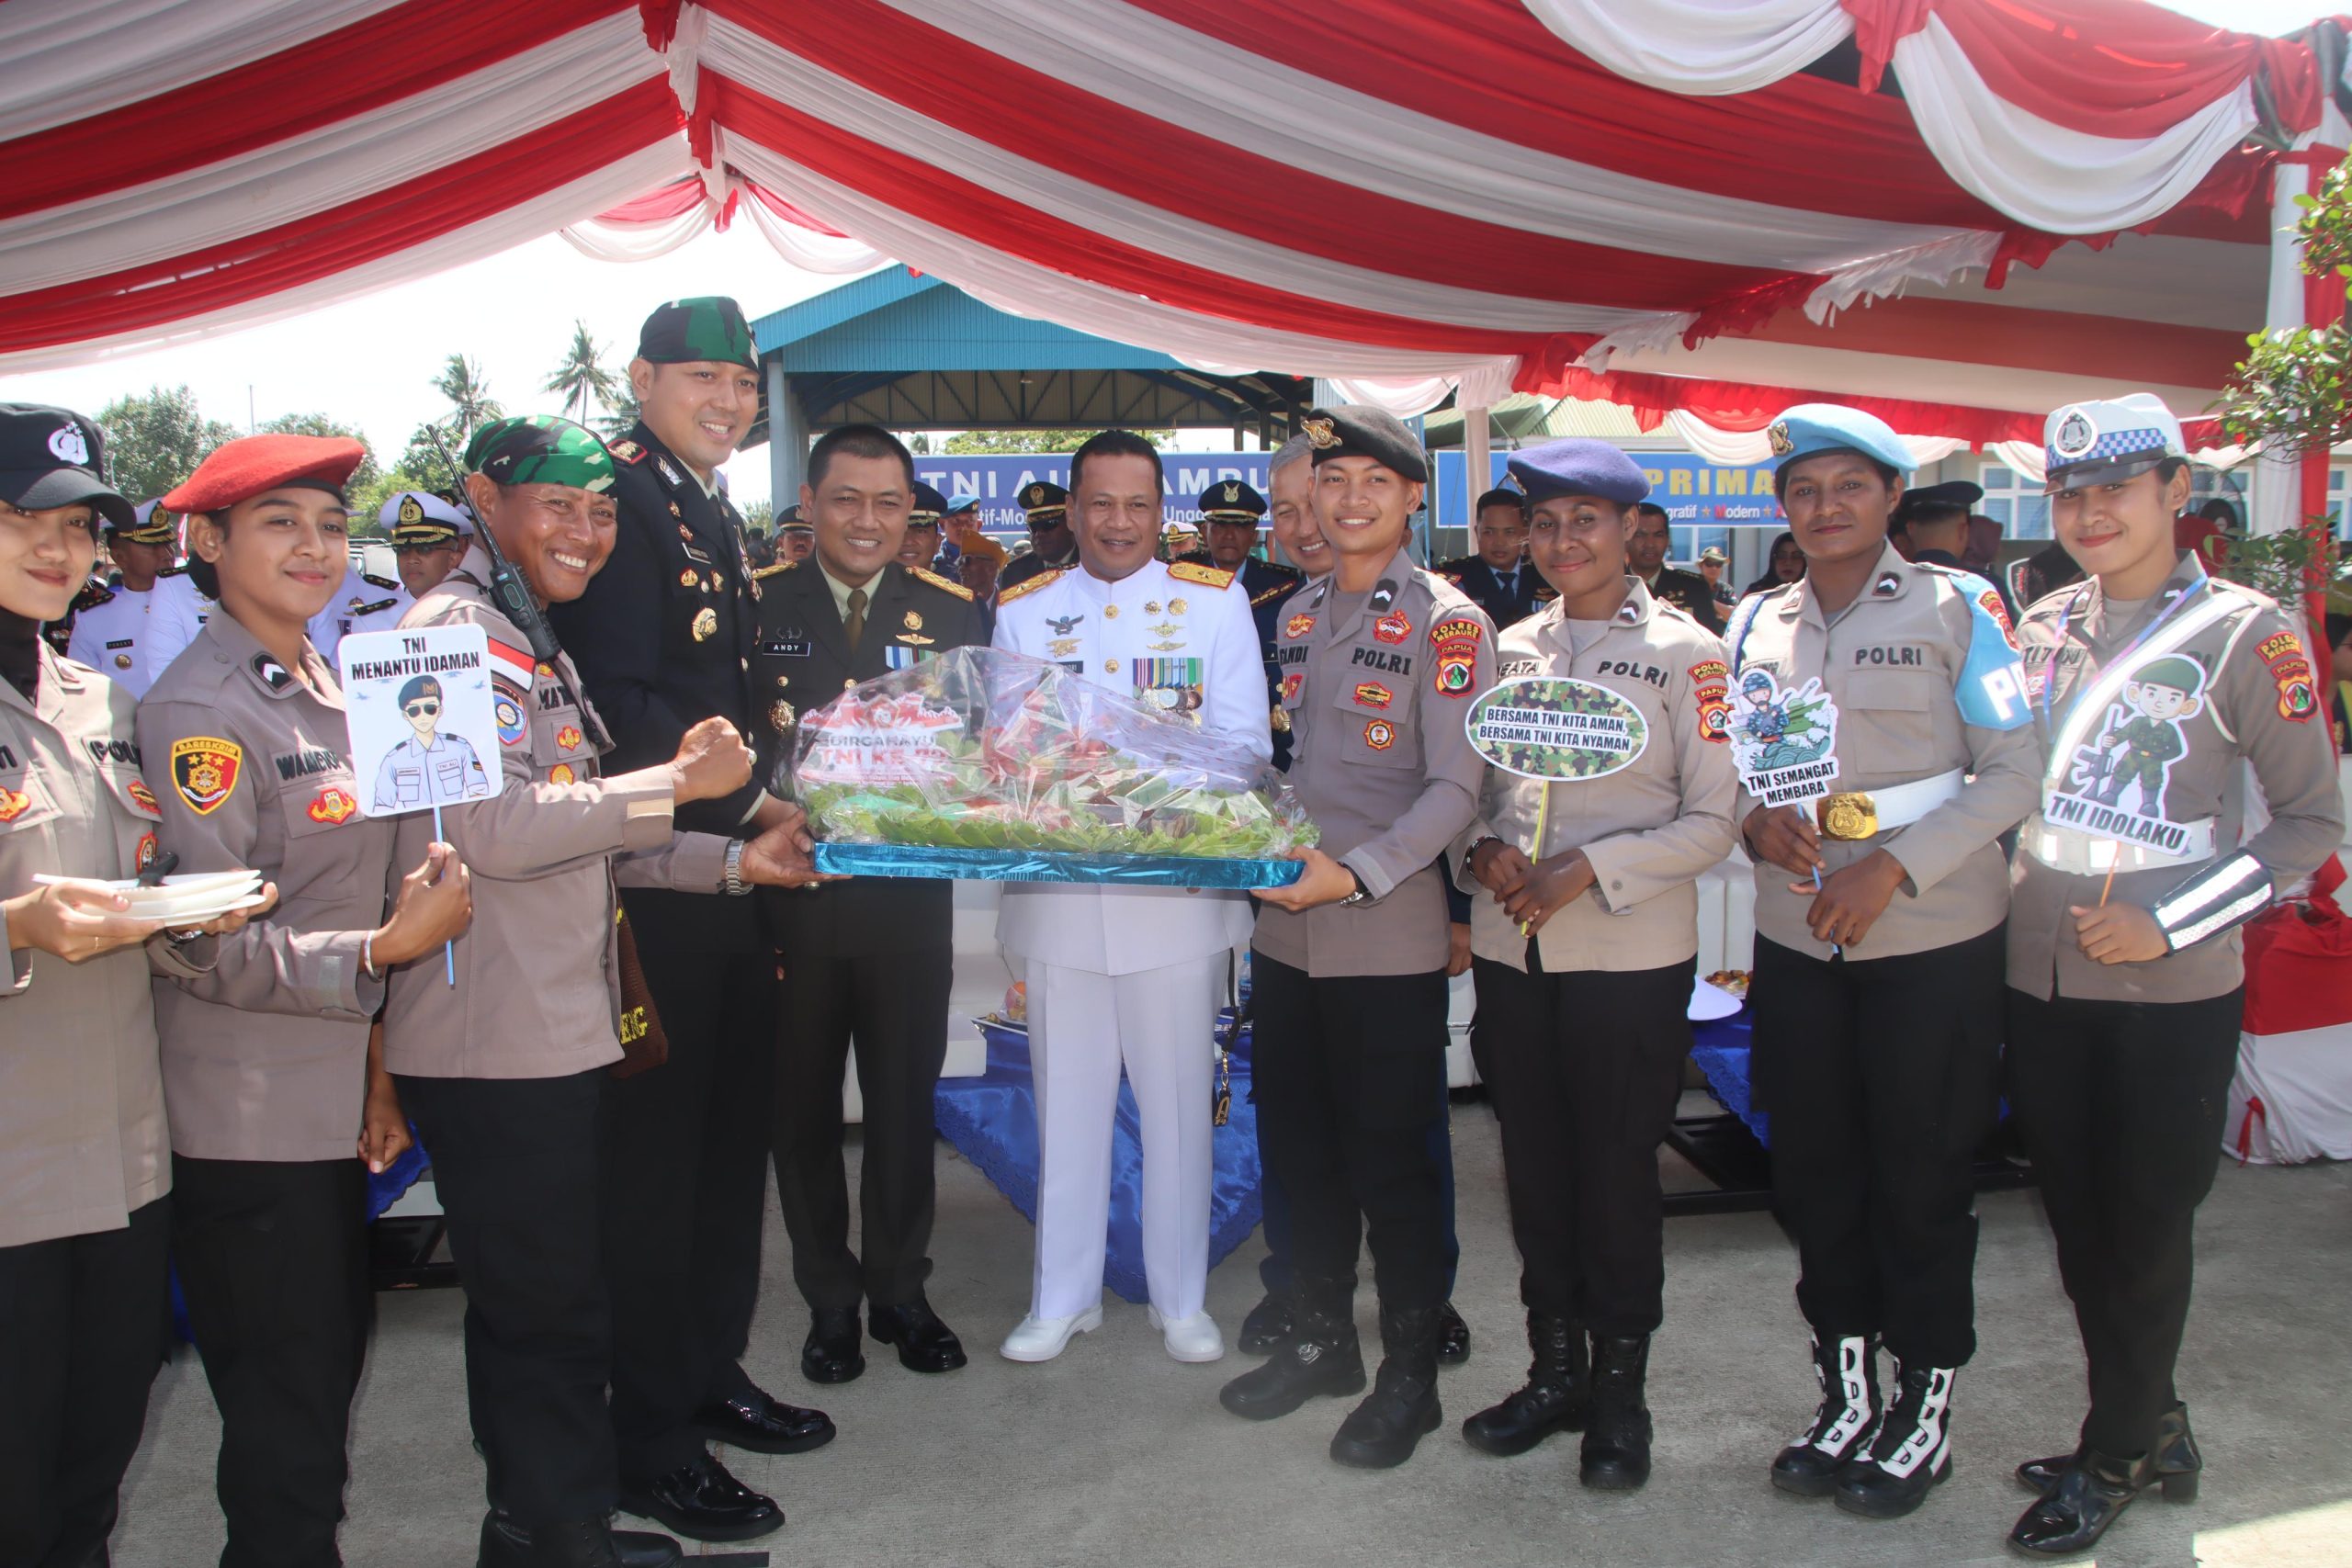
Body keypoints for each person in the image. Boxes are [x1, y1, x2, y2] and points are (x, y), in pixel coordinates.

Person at [386, 414, 830, 1568]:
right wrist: (673, 782)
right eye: (557, 504)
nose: (584, 531)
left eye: (599, 510)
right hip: (488, 1030)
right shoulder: (445, 637)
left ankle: (551, 1528)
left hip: (551, 1022)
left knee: (557, 1304)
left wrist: (737, 860)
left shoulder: (528, 634)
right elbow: (488, 827)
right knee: (537, 1312)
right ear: (486, 497)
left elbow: (599, 840)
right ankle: (552, 1536)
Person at [2000, 395, 2342, 1557]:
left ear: (2174, 494)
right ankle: (2150, 1421)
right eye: (2070, 492)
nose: (2091, 512)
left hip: (2166, 991)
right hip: (2039, 973)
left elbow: (2306, 827)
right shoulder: (2041, 624)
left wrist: (2173, 924)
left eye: (2117, 489)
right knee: (2081, 1224)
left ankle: (2116, 1455)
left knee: (2143, 1227)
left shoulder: (2251, 636)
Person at [139, 432, 475, 1567]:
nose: (315, 546)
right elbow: (200, 946)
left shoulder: (329, 679)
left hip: (326, 1106)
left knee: (320, 1376)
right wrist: (382, 950)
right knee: (285, 1413)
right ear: (207, 541)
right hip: (242, 1114)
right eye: (279, 522)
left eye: (331, 525)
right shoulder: (200, 711)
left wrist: (378, 1075)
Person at [1726, 405, 2038, 1520]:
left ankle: (1924, 1407)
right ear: (1784, 508)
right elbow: (1737, 767)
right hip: (1797, 932)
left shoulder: (1962, 609)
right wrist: (1753, 824)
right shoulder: (1755, 621)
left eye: (1849, 486)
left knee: (1919, 1178)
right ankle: (1846, 1394)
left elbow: (2012, 772)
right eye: (1804, 491)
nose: (1826, 507)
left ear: (1892, 496)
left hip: (1929, 935)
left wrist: (1894, 868)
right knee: (1816, 1176)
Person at [543, 299, 812, 1546]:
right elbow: (628, 703)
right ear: (642, 376)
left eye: (742, 382)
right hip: (668, 877)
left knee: (721, 1154)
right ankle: (647, 1439)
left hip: (731, 871)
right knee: (655, 1175)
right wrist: (760, 804)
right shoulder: (624, 498)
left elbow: (732, 691)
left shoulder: (701, 500)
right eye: (702, 375)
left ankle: (706, 1372)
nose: (728, 398)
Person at [0, 404, 272, 1568]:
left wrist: (198, 919)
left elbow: (139, 895)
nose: (57, 548)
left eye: (78, 524)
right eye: (20, 518)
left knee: (90, 1467)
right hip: (10, 1177)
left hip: (122, 1164)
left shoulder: (99, 705)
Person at [1453, 439, 1737, 1491]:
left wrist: (1593, 867)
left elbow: (1718, 816)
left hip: (1625, 952)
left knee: (1616, 1178)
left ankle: (1621, 1396)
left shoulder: (1688, 653)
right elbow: (1469, 789)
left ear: (1629, 529)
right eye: (1545, 522)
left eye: (1586, 520)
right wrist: (1476, 851)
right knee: (1533, 1169)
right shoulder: (1507, 647)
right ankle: (1554, 1372)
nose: (1562, 541)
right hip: (1511, 950)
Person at [1219, 406, 1492, 1469]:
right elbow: (1283, 767)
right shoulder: (1290, 616)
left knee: (1396, 1167)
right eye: (1332, 482)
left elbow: (1455, 789)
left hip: (1385, 935)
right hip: (1287, 940)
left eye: (1374, 482)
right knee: (1305, 1154)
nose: (1349, 501)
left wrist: (1358, 872)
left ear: (1412, 498)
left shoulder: (1450, 623)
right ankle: (1324, 1342)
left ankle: (1409, 1376)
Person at [990, 428, 1271, 1365]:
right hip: (1063, 897)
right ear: (1071, 513)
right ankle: (1061, 1296)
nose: (1118, 522)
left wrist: (1138, 794)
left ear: (1163, 514)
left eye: (1136, 504)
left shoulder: (1213, 604)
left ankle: (1179, 1296)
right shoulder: (1027, 610)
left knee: (1179, 1107)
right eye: (1099, 504)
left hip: (1177, 898)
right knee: (1064, 1103)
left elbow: (1242, 748)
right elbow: (1007, 745)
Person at [752, 423, 988, 1389]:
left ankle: (899, 1290)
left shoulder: (954, 613)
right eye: (847, 499)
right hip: (787, 909)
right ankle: (830, 1301)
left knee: (901, 1104)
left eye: (889, 503)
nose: (867, 521)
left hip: (902, 907)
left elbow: (974, 750)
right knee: (799, 1115)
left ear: (911, 514)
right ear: (809, 504)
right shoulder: (755, 604)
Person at [65, 498, 179, 698]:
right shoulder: (93, 620)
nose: (166, 554)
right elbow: (83, 693)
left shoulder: (202, 603)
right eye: (152, 546)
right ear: (120, 557)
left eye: (168, 544)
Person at [368, 674, 492, 810]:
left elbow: (479, 791)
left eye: (430, 709)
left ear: (440, 711)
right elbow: (383, 806)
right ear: (405, 715)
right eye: (414, 710)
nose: (423, 716)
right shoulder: (394, 759)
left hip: (458, 825)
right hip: (416, 828)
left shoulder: (460, 748)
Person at [1436, 488, 1544, 626]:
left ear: (1525, 534)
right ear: (1477, 532)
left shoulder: (1544, 575)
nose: (1499, 542)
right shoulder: (1452, 578)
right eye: (1489, 532)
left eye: (1509, 532)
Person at [1626, 502, 1722, 633]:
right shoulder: (1609, 586)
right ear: (1626, 538)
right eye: (1640, 535)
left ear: (1668, 540)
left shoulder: (1694, 587)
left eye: (1658, 535)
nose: (1650, 544)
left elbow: (1709, 642)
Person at [384, 489, 471, 601]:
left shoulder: (470, 613)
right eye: (403, 550)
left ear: (453, 560)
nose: (411, 559)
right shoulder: (376, 617)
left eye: (425, 549)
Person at [996, 481, 1073, 590]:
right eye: (1033, 527)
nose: (1039, 534)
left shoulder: (1093, 565)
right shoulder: (1014, 573)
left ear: (1071, 522)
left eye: (1048, 524)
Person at [899, 481, 947, 572]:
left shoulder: (945, 587)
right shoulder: (866, 586)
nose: (908, 542)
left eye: (920, 531)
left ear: (937, 542)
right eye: (900, 532)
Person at [1741, 531, 1805, 599]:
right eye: (1781, 556)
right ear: (1773, 559)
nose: (1788, 562)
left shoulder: (1812, 595)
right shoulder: (1754, 593)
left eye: (1796, 556)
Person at [1698, 545, 1736, 610]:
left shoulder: (1727, 590)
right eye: (1709, 563)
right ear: (1701, 566)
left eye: (1718, 564)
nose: (1714, 568)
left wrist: (1710, 602)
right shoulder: (1691, 586)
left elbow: (1735, 614)